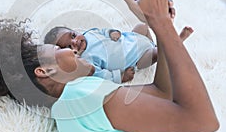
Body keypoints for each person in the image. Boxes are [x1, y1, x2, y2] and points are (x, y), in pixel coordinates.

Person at [0, 0, 219, 132]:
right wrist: (161, 24)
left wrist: (161, 30)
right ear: (44, 71)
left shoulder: (71, 111)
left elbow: (163, 94)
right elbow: (203, 121)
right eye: (58, 49)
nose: (76, 50)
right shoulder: (83, 94)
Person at [44, 15, 193, 84]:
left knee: (142, 26)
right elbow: (102, 75)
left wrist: (112, 32)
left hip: (131, 39)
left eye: (73, 35)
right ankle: (176, 42)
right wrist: (121, 77)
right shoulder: (85, 61)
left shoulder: (89, 33)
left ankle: (157, 43)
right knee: (155, 54)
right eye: (70, 47)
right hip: (136, 57)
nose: (75, 41)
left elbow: (102, 31)